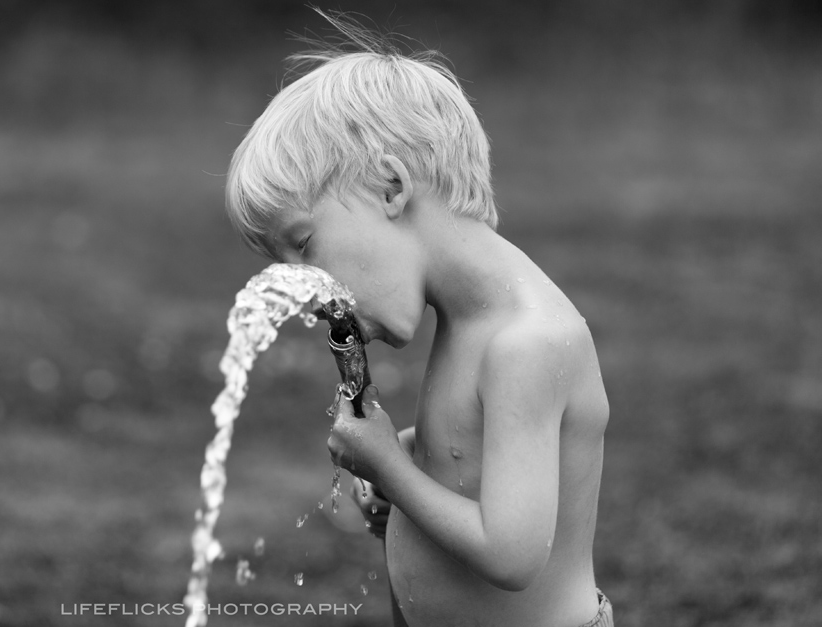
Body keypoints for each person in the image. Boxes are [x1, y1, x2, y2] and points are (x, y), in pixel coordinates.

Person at [224, 12, 611, 627]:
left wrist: (392, 471)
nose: (300, 286)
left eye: (303, 244)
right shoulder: (466, 321)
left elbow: (512, 556)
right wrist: (410, 461)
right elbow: (483, 455)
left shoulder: (528, 343)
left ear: (390, 188)